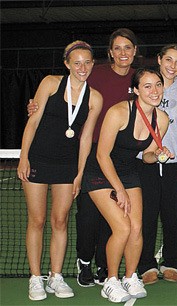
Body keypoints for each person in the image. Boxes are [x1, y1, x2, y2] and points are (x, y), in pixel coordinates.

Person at [27, 28, 139, 287]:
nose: (123, 53)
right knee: (86, 216)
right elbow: (43, 113)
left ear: (135, 51)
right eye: (118, 48)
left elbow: (163, 84)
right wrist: (34, 107)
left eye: (128, 47)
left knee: (104, 218)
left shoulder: (139, 78)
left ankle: (101, 266)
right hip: (86, 155)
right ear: (110, 53)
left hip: (118, 157)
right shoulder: (92, 74)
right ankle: (83, 262)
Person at [18, 40, 102, 301]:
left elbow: (86, 138)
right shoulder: (50, 83)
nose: (82, 67)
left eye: (87, 62)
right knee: (37, 220)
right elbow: (33, 122)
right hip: (38, 161)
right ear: (67, 64)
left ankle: (56, 276)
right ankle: (35, 278)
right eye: (76, 62)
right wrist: (23, 157)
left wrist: (78, 173)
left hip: (67, 166)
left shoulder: (95, 98)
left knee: (60, 221)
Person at [82, 68, 173, 303]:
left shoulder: (161, 119)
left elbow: (147, 156)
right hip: (100, 172)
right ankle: (111, 281)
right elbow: (102, 155)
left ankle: (130, 277)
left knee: (135, 228)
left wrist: (160, 154)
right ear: (135, 90)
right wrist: (118, 190)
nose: (154, 91)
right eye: (147, 86)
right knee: (121, 228)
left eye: (158, 85)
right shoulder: (119, 112)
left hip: (129, 172)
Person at [135, 44, 177, 285]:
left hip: (174, 162)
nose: (173, 66)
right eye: (168, 60)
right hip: (144, 161)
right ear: (159, 59)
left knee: (175, 216)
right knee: (145, 216)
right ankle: (145, 265)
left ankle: (173, 263)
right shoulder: (146, 87)